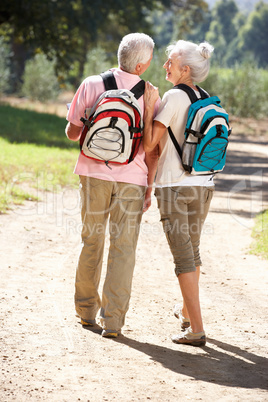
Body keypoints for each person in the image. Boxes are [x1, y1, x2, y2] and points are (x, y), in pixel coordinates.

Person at [65, 33, 160, 338]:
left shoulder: (93, 83)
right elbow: (152, 148)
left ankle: (85, 313)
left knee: (91, 241)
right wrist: (149, 186)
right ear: (142, 65)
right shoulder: (151, 94)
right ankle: (114, 322)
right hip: (132, 178)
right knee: (124, 248)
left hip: (94, 175)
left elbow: (72, 133)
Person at [143, 40, 215, 347]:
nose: (164, 66)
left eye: (169, 61)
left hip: (174, 186)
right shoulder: (206, 97)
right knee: (193, 252)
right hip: (204, 185)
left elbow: (149, 145)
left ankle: (196, 328)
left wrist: (149, 108)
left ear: (185, 68)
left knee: (183, 258)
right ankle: (186, 311)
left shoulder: (172, 97)